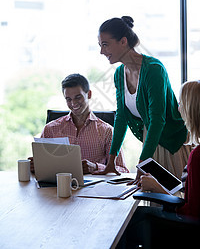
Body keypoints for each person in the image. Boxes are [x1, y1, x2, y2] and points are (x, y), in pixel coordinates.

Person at [97, 16, 191, 179]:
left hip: (171, 143)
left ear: (123, 41)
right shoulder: (120, 74)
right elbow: (121, 117)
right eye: (100, 45)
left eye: (105, 44)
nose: (102, 51)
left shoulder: (154, 69)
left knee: (174, 198)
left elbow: (157, 120)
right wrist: (110, 161)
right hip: (151, 143)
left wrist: (142, 163)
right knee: (153, 198)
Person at [117, 80, 200, 248]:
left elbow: (191, 213)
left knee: (125, 223)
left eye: (181, 104)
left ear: (192, 110)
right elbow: (191, 194)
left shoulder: (197, 156)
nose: (178, 109)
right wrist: (161, 182)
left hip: (187, 230)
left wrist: (157, 188)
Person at [29, 73, 128, 174]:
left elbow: (123, 170)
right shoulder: (50, 129)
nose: (73, 103)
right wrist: (35, 165)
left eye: (78, 97)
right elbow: (41, 165)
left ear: (89, 94)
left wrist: (95, 167)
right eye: (68, 99)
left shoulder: (107, 131)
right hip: (57, 187)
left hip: (94, 188)